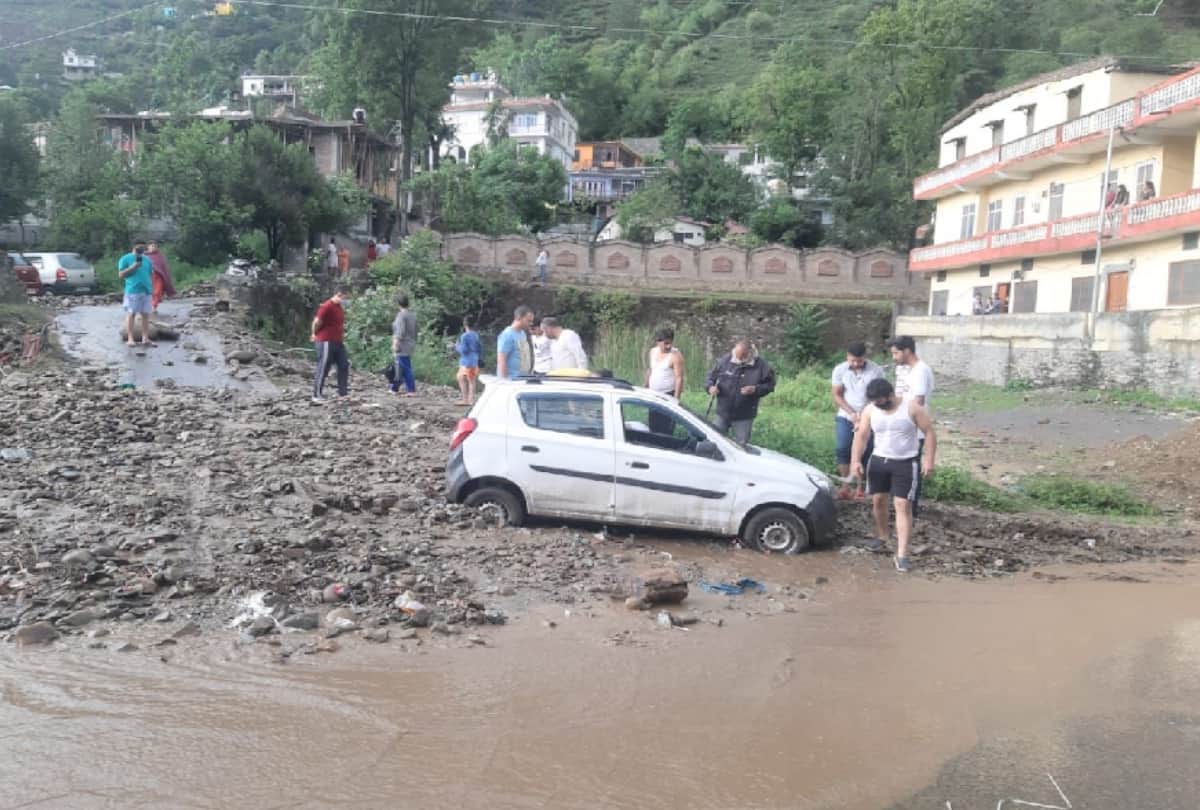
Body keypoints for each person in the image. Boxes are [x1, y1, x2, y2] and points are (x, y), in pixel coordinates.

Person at [849, 378, 937, 573]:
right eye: (875, 402)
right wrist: (855, 460)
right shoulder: (870, 410)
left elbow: (929, 432)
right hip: (879, 460)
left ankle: (902, 554)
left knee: (903, 505)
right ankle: (883, 536)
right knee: (878, 501)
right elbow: (861, 436)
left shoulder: (912, 408)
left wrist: (929, 460)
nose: (879, 405)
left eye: (881, 401)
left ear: (890, 395)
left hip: (905, 462)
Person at [831, 341, 884, 499]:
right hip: (846, 415)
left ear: (865, 357)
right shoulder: (840, 370)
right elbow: (837, 395)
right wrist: (852, 413)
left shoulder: (876, 371)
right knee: (842, 448)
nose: (855, 364)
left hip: (870, 415)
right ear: (847, 356)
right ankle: (845, 486)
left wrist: (864, 415)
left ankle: (861, 487)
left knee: (866, 451)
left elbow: (878, 395)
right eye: (852, 360)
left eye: (859, 361)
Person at [705, 339, 776, 444]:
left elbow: (770, 385)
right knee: (714, 442)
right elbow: (710, 378)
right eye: (736, 356)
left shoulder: (762, 365)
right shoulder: (726, 360)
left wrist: (755, 389)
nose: (737, 360)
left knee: (740, 446)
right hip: (722, 412)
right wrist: (710, 387)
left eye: (741, 358)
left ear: (750, 354)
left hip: (744, 416)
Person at [311, 286, 351, 404]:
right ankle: (316, 395)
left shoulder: (339, 307)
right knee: (323, 367)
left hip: (338, 341)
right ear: (339, 294)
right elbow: (316, 322)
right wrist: (314, 334)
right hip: (326, 341)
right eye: (345, 297)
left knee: (344, 365)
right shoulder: (326, 306)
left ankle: (342, 393)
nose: (345, 300)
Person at [119, 242, 155, 348]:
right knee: (131, 313)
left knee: (146, 314)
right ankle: (130, 338)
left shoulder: (147, 259)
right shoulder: (125, 258)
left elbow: (150, 273)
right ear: (134, 246)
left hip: (146, 290)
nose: (141, 248)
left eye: (143, 246)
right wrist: (134, 266)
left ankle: (145, 338)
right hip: (133, 290)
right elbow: (121, 275)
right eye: (139, 246)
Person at [390, 294, 418, 396]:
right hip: (411, 343)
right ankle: (394, 388)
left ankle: (411, 389)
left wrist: (395, 344)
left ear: (398, 304)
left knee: (404, 367)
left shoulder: (401, 316)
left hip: (402, 344)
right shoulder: (412, 315)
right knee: (401, 366)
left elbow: (400, 332)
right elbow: (416, 331)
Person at [497, 305, 535, 379]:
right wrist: (504, 381)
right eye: (528, 321)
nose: (531, 324)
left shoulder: (523, 333)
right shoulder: (507, 335)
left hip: (523, 379)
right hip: (512, 380)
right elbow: (501, 360)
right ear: (519, 318)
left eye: (531, 321)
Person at [455, 315, 482, 405]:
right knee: (471, 380)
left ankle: (466, 400)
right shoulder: (476, 335)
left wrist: (457, 346)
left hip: (466, 361)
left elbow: (464, 350)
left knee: (461, 378)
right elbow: (479, 348)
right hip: (474, 360)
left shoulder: (465, 336)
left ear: (465, 324)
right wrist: (479, 357)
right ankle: (471, 400)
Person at [146, 241, 176, 312]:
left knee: (157, 292)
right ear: (148, 247)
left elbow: (164, 267)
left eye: (155, 246)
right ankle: (148, 306)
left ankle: (154, 306)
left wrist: (165, 276)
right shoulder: (144, 255)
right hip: (148, 277)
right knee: (149, 292)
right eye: (152, 246)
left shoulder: (160, 256)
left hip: (159, 276)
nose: (153, 247)